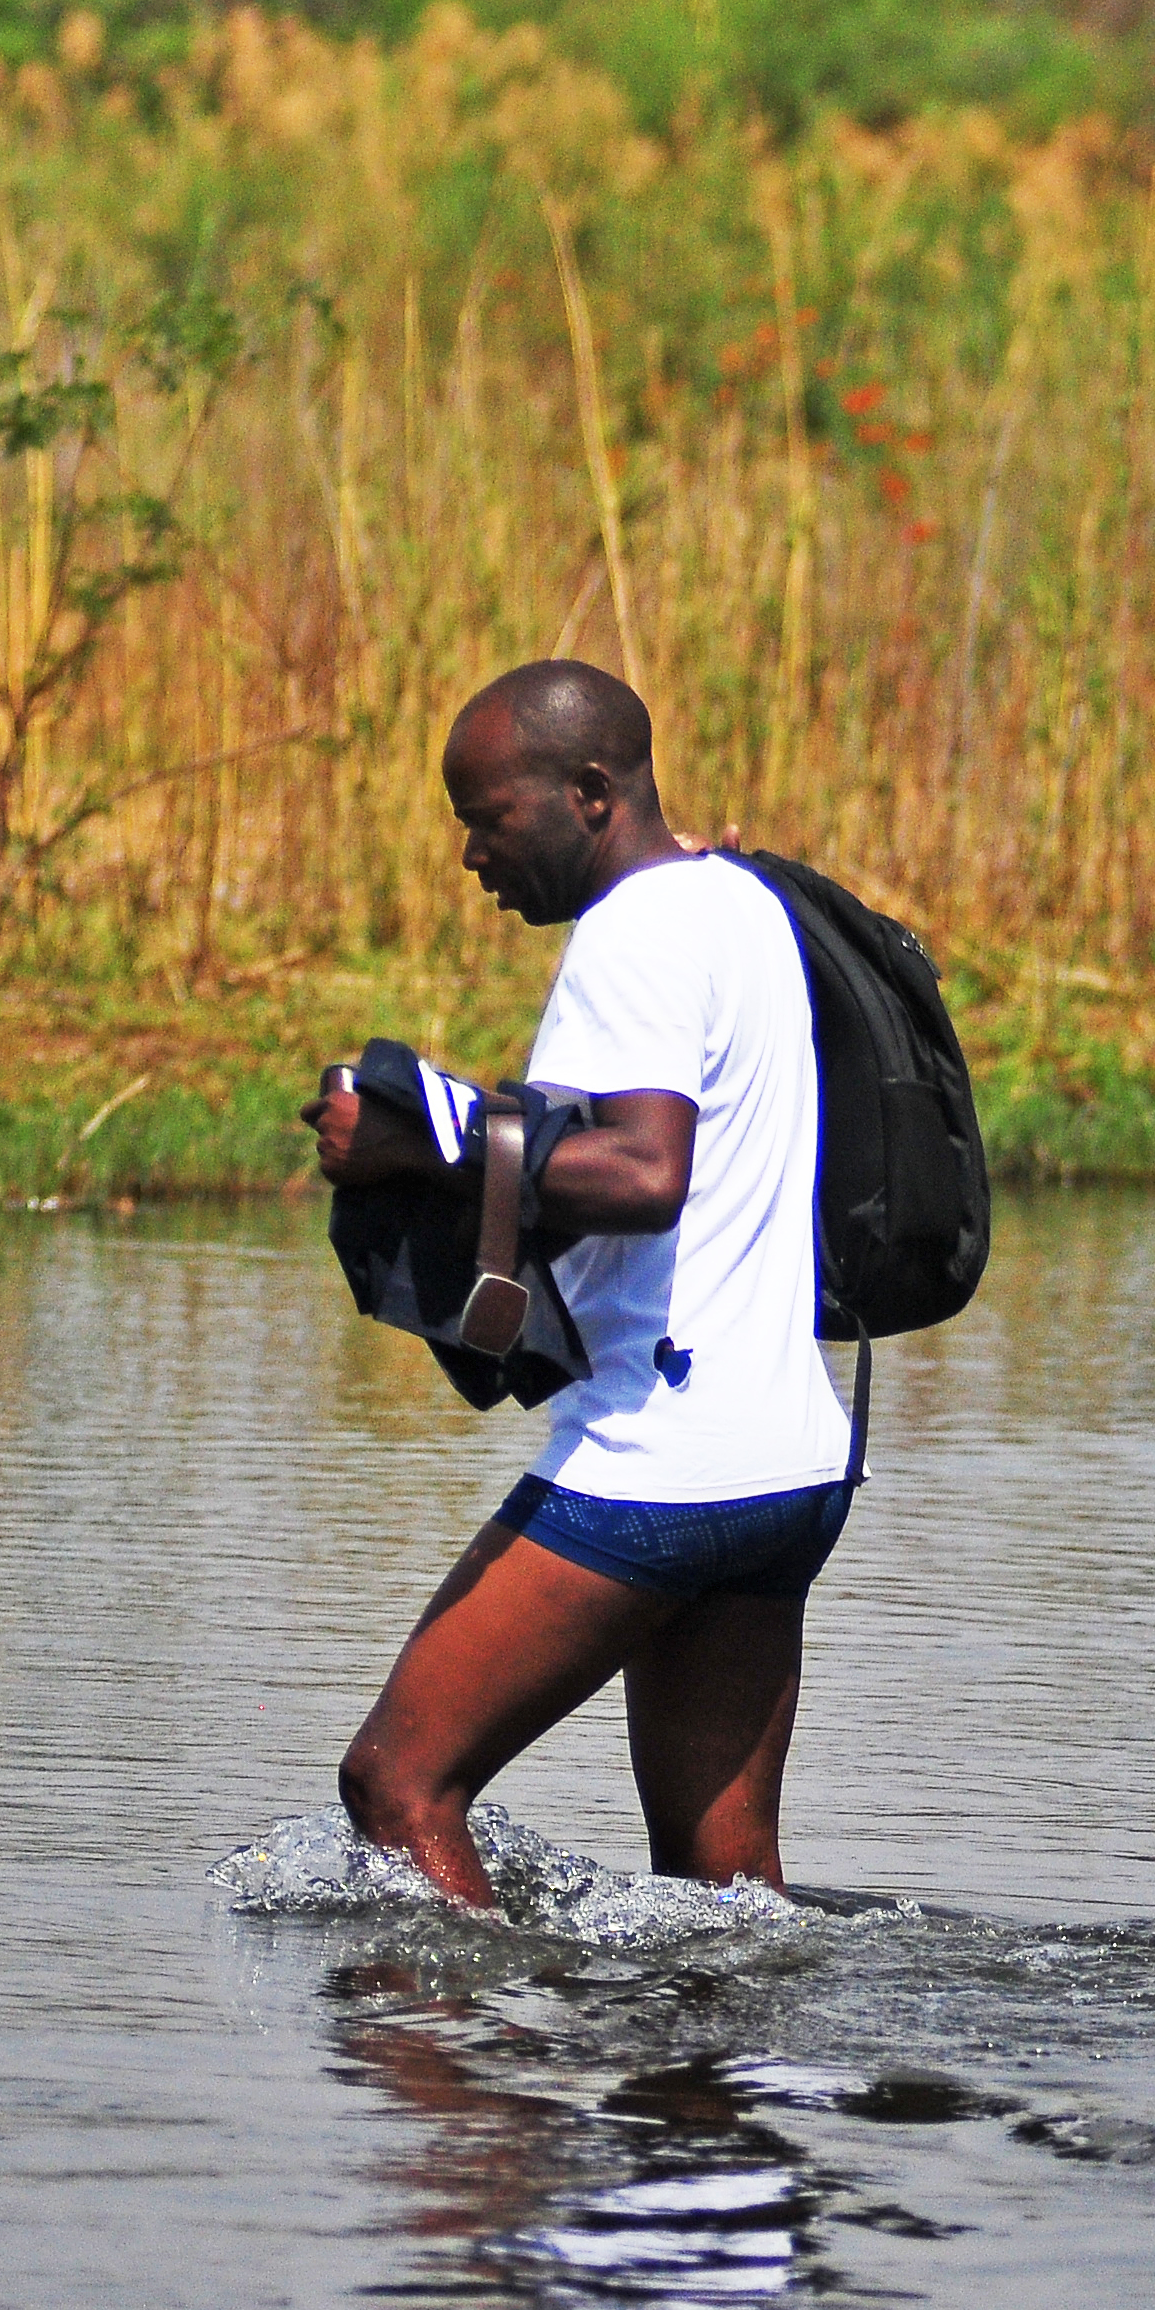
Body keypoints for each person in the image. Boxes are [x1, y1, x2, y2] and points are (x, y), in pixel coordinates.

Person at [303, 661, 855, 1915]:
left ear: (590, 791)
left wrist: (422, 1148)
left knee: (397, 1785)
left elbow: (650, 1170)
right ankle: (709, 2110)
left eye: (487, 818)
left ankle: (481, 2097)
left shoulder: (632, 935)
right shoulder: (739, 902)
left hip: (658, 1465)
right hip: (786, 1464)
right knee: (725, 1902)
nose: (470, 855)